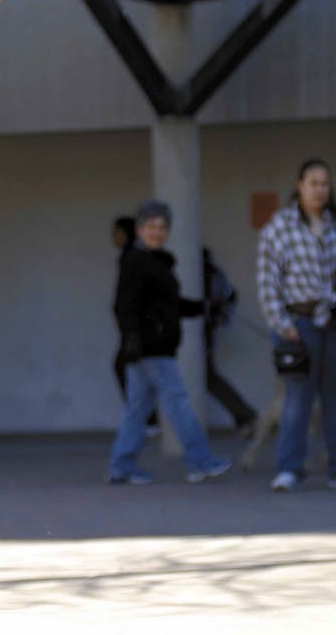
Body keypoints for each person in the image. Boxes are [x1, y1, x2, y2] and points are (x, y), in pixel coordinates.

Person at [106, 200, 232, 485]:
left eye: (162, 227)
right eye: (151, 226)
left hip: (151, 348)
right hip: (151, 349)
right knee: (178, 402)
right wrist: (133, 340)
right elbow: (123, 306)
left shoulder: (156, 261)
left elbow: (172, 306)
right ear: (139, 230)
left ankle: (121, 466)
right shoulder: (136, 261)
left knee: (136, 410)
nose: (157, 232)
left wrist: (206, 307)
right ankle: (200, 461)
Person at [257, 158, 336, 492]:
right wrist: (281, 324)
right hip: (298, 323)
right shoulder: (280, 226)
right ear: (299, 185)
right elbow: (268, 280)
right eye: (313, 182)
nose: (320, 189)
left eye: (325, 183)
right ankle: (289, 468)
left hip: (334, 324)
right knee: (298, 399)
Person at [111, 215, 160, 436]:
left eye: (117, 231)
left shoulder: (133, 257)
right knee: (135, 372)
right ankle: (146, 420)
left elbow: (131, 297)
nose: (113, 237)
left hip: (137, 330)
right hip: (133, 329)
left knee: (131, 370)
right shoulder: (131, 256)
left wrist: (131, 327)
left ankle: (148, 420)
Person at [203, 247, 258, 436]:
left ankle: (245, 415)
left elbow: (226, 298)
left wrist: (215, 316)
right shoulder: (214, 274)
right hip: (202, 332)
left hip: (200, 334)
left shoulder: (208, 274)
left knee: (206, 377)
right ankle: (245, 415)